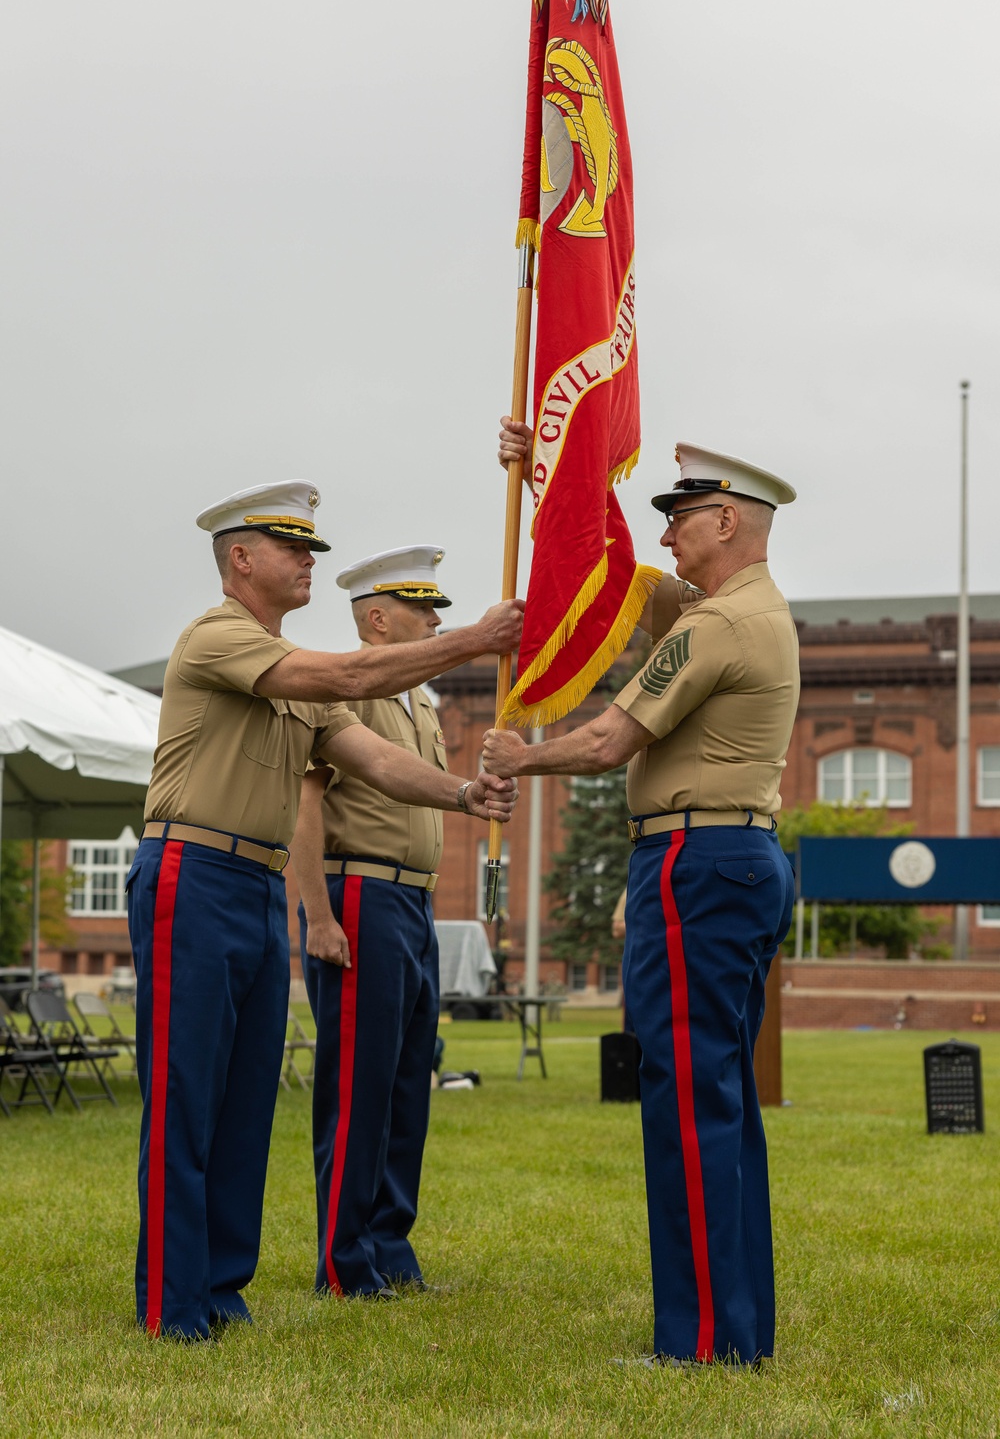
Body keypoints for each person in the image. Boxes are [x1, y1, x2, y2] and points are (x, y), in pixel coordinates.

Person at [127, 480, 522, 1340]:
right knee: (186, 1092)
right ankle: (171, 1302)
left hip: (254, 881)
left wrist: (464, 792)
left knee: (244, 1102)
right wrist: (475, 640)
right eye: (291, 546)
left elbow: (374, 758)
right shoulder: (221, 635)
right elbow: (348, 673)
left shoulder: (294, 671)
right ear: (240, 558)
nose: (311, 559)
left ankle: (221, 1291)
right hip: (189, 871)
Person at [484, 423, 799, 1368]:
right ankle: (734, 1328)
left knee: (688, 1101)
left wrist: (521, 757)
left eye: (682, 518)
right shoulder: (743, 606)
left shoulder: (720, 623)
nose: (667, 537)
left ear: (728, 518)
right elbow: (624, 581)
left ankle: (702, 1341)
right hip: (732, 860)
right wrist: (555, 474)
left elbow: (611, 740)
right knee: (721, 1097)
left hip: (695, 865)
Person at [291, 545, 462, 1299]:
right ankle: (343, 1257)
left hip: (413, 900)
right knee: (359, 1085)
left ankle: (390, 1242)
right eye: (422, 609)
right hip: (359, 892)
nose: (434, 621)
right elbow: (307, 803)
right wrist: (318, 915)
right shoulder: (348, 688)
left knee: (404, 1081)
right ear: (379, 618)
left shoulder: (419, 702)